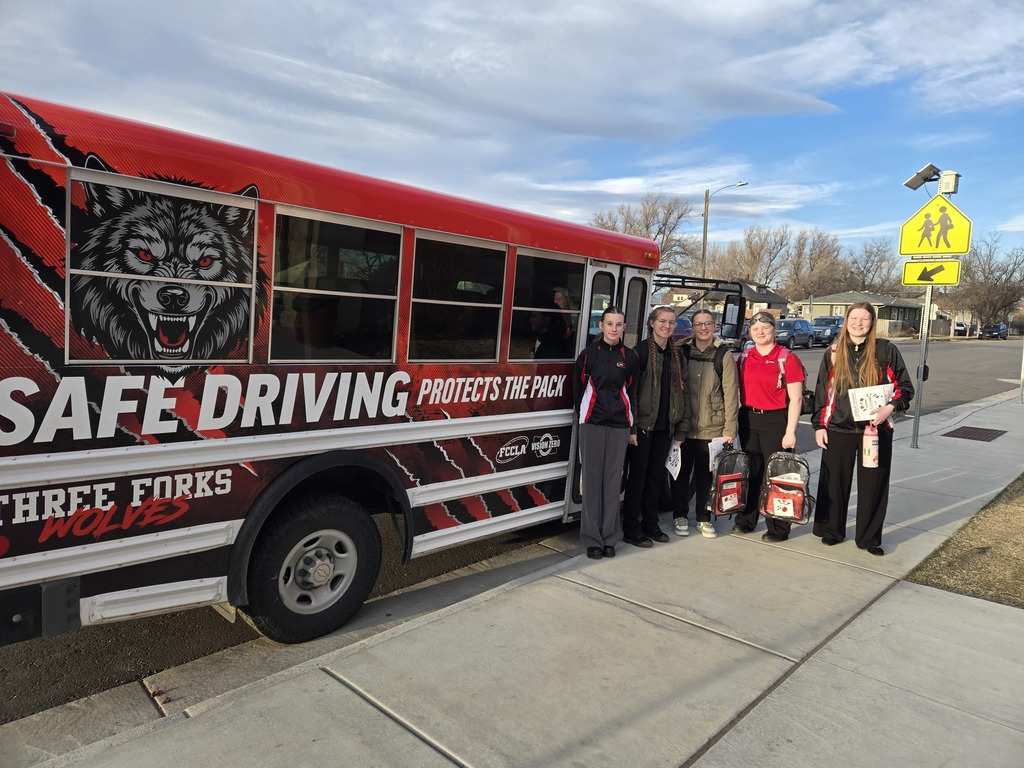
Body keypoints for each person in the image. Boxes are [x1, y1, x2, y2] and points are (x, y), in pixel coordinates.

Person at [811, 302, 914, 556]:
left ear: (872, 322)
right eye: (854, 318)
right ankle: (831, 530)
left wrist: (890, 408)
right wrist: (820, 425)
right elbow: (823, 391)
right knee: (833, 482)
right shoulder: (834, 350)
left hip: (875, 431)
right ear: (846, 320)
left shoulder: (885, 350)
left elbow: (905, 388)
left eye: (864, 319)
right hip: (838, 428)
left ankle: (869, 537)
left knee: (873, 484)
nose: (858, 323)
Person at [573, 306, 640, 560]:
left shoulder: (630, 357)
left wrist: (631, 428)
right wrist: (583, 420)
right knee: (591, 483)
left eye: (619, 324)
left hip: (620, 426)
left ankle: (610, 538)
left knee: (612, 484)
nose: (614, 329)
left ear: (624, 327)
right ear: (601, 326)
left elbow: (631, 394)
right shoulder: (589, 355)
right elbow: (578, 391)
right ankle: (592, 539)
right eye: (609, 323)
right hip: (592, 424)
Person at [732, 311, 805, 542]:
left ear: (774, 330)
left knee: (777, 475)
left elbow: (796, 399)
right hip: (749, 418)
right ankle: (746, 521)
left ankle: (778, 527)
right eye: (755, 329)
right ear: (750, 332)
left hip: (777, 420)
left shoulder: (786, 358)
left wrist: (790, 431)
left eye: (765, 328)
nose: (760, 332)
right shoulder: (744, 358)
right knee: (751, 472)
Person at [622, 306, 689, 548]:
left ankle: (651, 524)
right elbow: (630, 394)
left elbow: (684, 393)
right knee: (637, 479)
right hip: (642, 427)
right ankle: (631, 527)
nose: (667, 326)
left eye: (672, 322)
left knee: (656, 478)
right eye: (662, 321)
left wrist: (680, 428)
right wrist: (631, 428)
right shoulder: (638, 353)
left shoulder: (677, 355)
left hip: (665, 427)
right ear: (652, 323)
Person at [673, 309, 739, 538]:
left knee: (705, 477)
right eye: (699, 324)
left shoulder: (723, 355)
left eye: (708, 323)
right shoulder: (681, 351)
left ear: (714, 326)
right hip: (684, 425)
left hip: (712, 427)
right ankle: (680, 515)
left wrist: (730, 428)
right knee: (680, 475)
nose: (703, 328)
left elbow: (731, 394)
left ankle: (703, 518)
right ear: (692, 327)